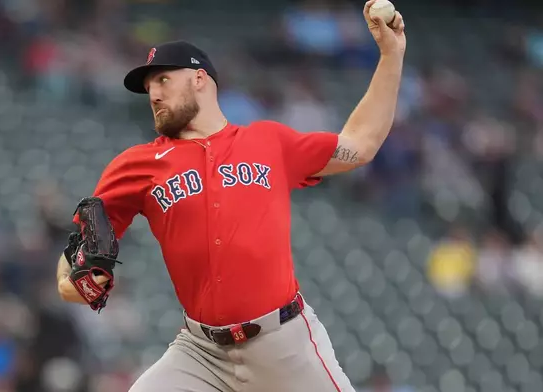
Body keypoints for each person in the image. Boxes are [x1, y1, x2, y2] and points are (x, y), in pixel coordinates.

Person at [56, 1, 406, 391]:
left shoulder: (268, 141)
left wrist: (392, 54)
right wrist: (74, 285)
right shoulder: (137, 164)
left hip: (284, 346)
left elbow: (360, 143)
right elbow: (72, 262)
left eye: (163, 80)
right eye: (148, 87)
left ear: (200, 79)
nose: (153, 93)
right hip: (200, 353)